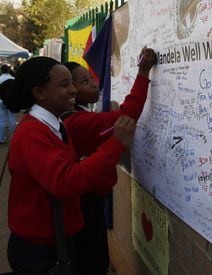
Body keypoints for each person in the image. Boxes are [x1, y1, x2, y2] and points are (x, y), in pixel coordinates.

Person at [2, 56, 143, 274]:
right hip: (40, 250)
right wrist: (115, 144)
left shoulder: (55, 124)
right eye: (64, 85)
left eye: (73, 83)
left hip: (57, 240)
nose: (73, 90)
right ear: (39, 93)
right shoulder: (32, 132)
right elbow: (65, 182)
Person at [62, 46, 156, 275]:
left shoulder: (76, 116)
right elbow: (128, 114)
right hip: (87, 207)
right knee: (93, 262)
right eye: (84, 82)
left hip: (89, 203)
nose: (94, 83)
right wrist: (143, 72)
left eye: (90, 78)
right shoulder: (77, 122)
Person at [0, 64, 17, 144]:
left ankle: (1, 138)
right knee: (12, 118)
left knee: (2, 120)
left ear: (1, 70)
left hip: (1, 101)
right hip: (11, 101)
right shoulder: (13, 78)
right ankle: (15, 137)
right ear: (9, 70)